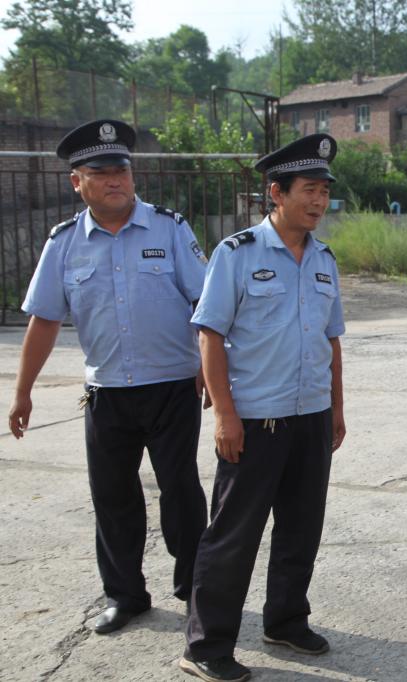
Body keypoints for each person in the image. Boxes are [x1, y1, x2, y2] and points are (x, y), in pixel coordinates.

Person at [7, 119, 209, 634]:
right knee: (113, 497)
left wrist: (213, 371)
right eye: (100, 173)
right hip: (107, 393)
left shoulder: (170, 228)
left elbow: (206, 305)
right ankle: (125, 595)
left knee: (181, 491)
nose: (115, 179)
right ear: (77, 182)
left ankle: (196, 588)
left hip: (172, 387)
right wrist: (22, 392)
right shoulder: (63, 243)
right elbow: (44, 320)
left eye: (121, 169)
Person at [181, 133, 346, 682]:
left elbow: (331, 340)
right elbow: (210, 334)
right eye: (309, 190)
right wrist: (224, 415)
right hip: (256, 419)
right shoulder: (237, 253)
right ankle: (206, 647)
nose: (319, 201)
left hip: (311, 416)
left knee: (301, 528)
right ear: (277, 192)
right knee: (233, 536)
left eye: (324, 191)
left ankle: (286, 621)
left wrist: (336, 408)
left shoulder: (324, 258)